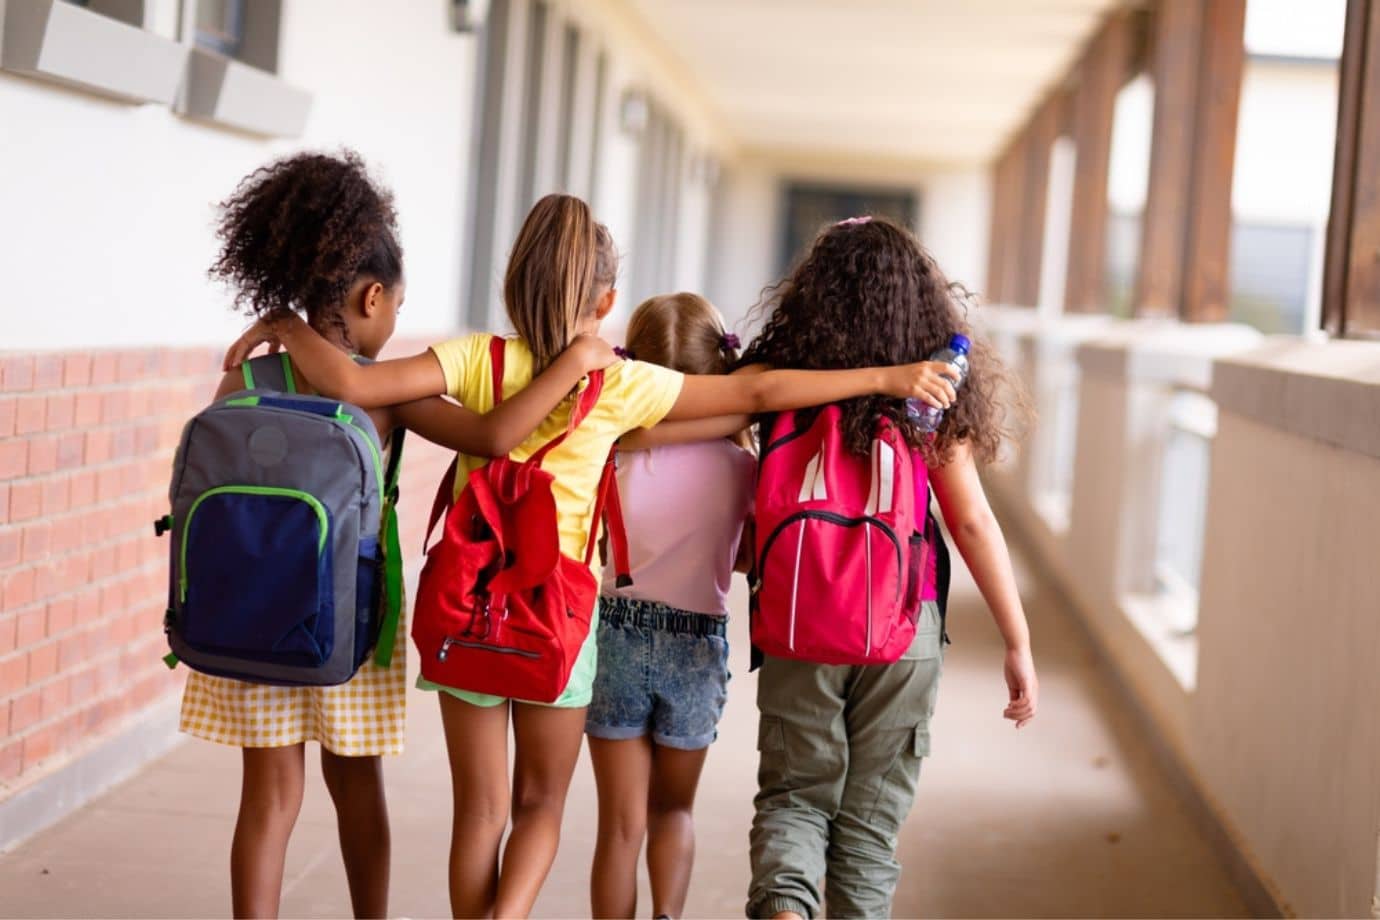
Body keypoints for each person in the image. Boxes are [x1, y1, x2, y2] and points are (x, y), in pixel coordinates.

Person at [223, 194, 962, 919]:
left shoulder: (473, 358)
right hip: (557, 621)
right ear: (606, 301)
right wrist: (885, 378)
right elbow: (756, 394)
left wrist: (286, 325)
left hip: (466, 612)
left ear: (512, 281)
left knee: (478, 812)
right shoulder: (619, 383)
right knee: (540, 804)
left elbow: (352, 379)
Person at [188, 154, 615, 920]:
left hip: (246, 615)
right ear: (372, 296)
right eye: (394, 308)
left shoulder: (244, 382)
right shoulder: (388, 401)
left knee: (269, 796)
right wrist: (579, 365)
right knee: (356, 788)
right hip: (350, 616)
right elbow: (490, 437)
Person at [739, 216, 1039, 920]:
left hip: (798, 618)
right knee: (868, 828)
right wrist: (1017, 641)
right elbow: (970, 522)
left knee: (794, 797)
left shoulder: (779, 383)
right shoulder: (930, 395)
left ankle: (785, 906)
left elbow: (714, 418)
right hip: (901, 628)